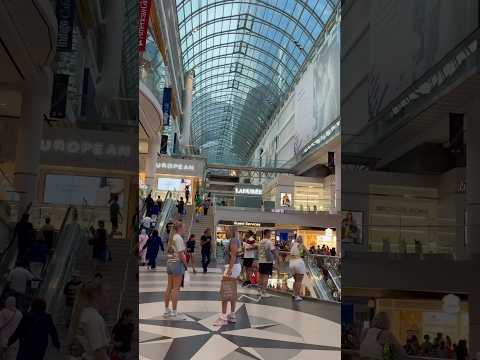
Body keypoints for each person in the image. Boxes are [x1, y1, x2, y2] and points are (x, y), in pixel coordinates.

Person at [67, 279, 110, 360]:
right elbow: (100, 355)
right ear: (96, 294)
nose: (109, 296)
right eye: (107, 292)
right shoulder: (94, 318)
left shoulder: (84, 313)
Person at [214, 227, 242, 326]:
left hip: (232, 267)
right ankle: (232, 314)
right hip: (234, 267)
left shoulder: (234, 240)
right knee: (232, 291)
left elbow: (233, 256)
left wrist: (229, 270)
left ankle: (223, 317)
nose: (226, 231)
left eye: (227, 229)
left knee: (225, 291)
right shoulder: (235, 240)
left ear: (232, 231)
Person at [163, 222, 188, 318]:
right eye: (184, 227)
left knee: (169, 287)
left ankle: (166, 309)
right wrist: (186, 265)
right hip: (177, 264)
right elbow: (181, 254)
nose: (185, 229)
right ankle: (174, 311)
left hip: (169, 263)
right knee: (176, 289)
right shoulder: (178, 238)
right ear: (180, 228)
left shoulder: (172, 238)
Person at [257, 229, 278, 298]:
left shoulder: (260, 242)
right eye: (270, 233)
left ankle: (259, 291)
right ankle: (264, 292)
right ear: (266, 234)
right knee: (266, 277)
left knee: (260, 276)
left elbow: (258, 251)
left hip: (261, 261)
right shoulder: (269, 242)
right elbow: (273, 251)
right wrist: (278, 258)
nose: (270, 235)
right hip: (267, 261)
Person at [289, 236, 306, 301]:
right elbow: (308, 253)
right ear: (301, 240)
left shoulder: (292, 245)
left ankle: (294, 294)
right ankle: (297, 296)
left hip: (291, 263)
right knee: (299, 281)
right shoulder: (301, 245)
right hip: (298, 262)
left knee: (296, 280)